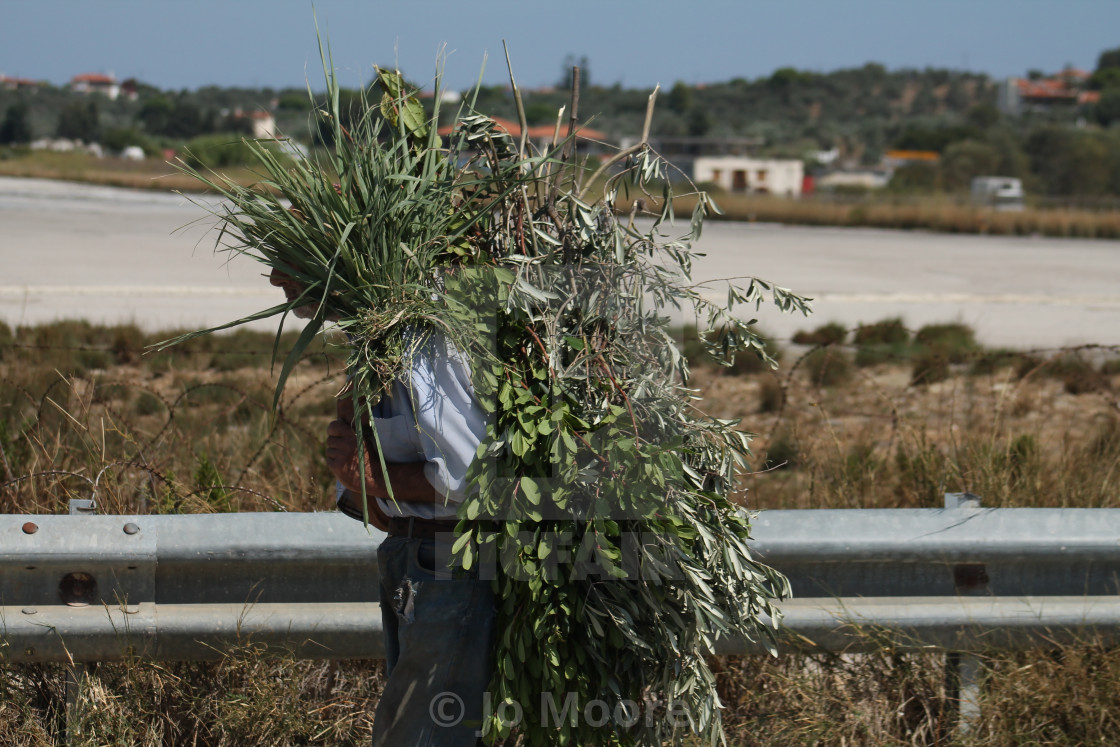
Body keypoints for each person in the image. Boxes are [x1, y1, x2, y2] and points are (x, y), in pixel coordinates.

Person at [270, 267, 495, 746]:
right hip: (411, 562)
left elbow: (475, 481)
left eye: (287, 258)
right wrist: (361, 477)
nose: (274, 279)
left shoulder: (423, 343)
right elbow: (372, 501)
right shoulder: (376, 348)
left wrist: (371, 478)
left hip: (451, 570)